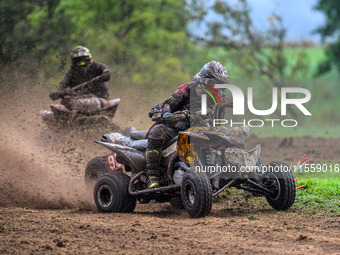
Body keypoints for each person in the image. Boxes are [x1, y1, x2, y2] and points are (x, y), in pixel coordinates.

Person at [146, 60, 232, 188]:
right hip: (176, 126)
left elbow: (223, 111)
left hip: (203, 128)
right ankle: (152, 177)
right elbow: (168, 103)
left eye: (220, 83)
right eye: (215, 82)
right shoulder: (187, 88)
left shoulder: (219, 96)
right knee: (156, 132)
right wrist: (167, 114)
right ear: (205, 80)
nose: (217, 86)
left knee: (228, 138)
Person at [53, 46, 114, 111]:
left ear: (89, 59)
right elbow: (62, 84)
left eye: (83, 61)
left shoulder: (97, 66)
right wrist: (63, 92)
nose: (81, 64)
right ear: (74, 61)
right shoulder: (72, 72)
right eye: (78, 61)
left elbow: (106, 69)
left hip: (100, 97)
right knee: (63, 106)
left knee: (108, 104)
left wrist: (106, 74)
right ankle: (67, 119)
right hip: (78, 99)